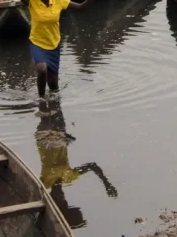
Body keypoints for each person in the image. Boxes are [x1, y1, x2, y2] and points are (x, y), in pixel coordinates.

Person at [13, 0, 105, 97]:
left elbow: (81, 7)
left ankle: (53, 105)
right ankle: (41, 100)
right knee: (42, 69)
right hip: (37, 43)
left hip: (54, 45)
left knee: (54, 86)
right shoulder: (32, 2)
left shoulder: (58, 1)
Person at [36, 98, 117, 229]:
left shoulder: (43, 183)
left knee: (44, 104)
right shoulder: (68, 176)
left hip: (44, 136)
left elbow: (36, 200)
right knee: (54, 101)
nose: (61, 197)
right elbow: (93, 165)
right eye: (63, 200)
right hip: (59, 133)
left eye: (60, 200)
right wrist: (106, 183)